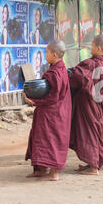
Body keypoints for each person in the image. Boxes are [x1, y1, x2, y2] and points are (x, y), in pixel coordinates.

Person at [24, 40, 72, 181]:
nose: (45, 54)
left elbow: (53, 97)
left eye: (47, 52)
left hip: (52, 113)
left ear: (54, 54)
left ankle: (54, 173)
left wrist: (35, 101)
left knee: (51, 140)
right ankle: (40, 169)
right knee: (40, 138)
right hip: (53, 112)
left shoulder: (55, 73)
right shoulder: (59, 69)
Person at [69, 34, 103, 175]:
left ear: (98, 48)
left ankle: (93, 166)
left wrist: (68, 72)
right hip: (98, 103)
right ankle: (93, 163)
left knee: (89, 132)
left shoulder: (92, 63)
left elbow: (78, 77)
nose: (90, 48)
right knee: (94, 129)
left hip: (89, 103)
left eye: (92, 45)